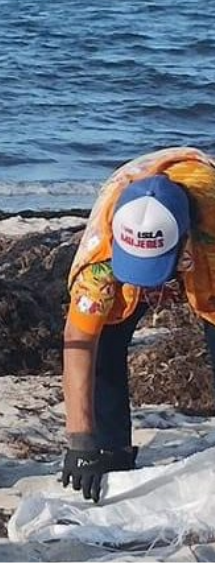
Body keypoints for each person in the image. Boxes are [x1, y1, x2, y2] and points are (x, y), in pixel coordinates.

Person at [60, 147, 215, 503]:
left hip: (204, 237)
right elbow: (78, 340)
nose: (149, 288)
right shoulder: (101, 257)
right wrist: (81, 441)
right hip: (133, 194)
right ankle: (112, 451)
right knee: (106, 342)